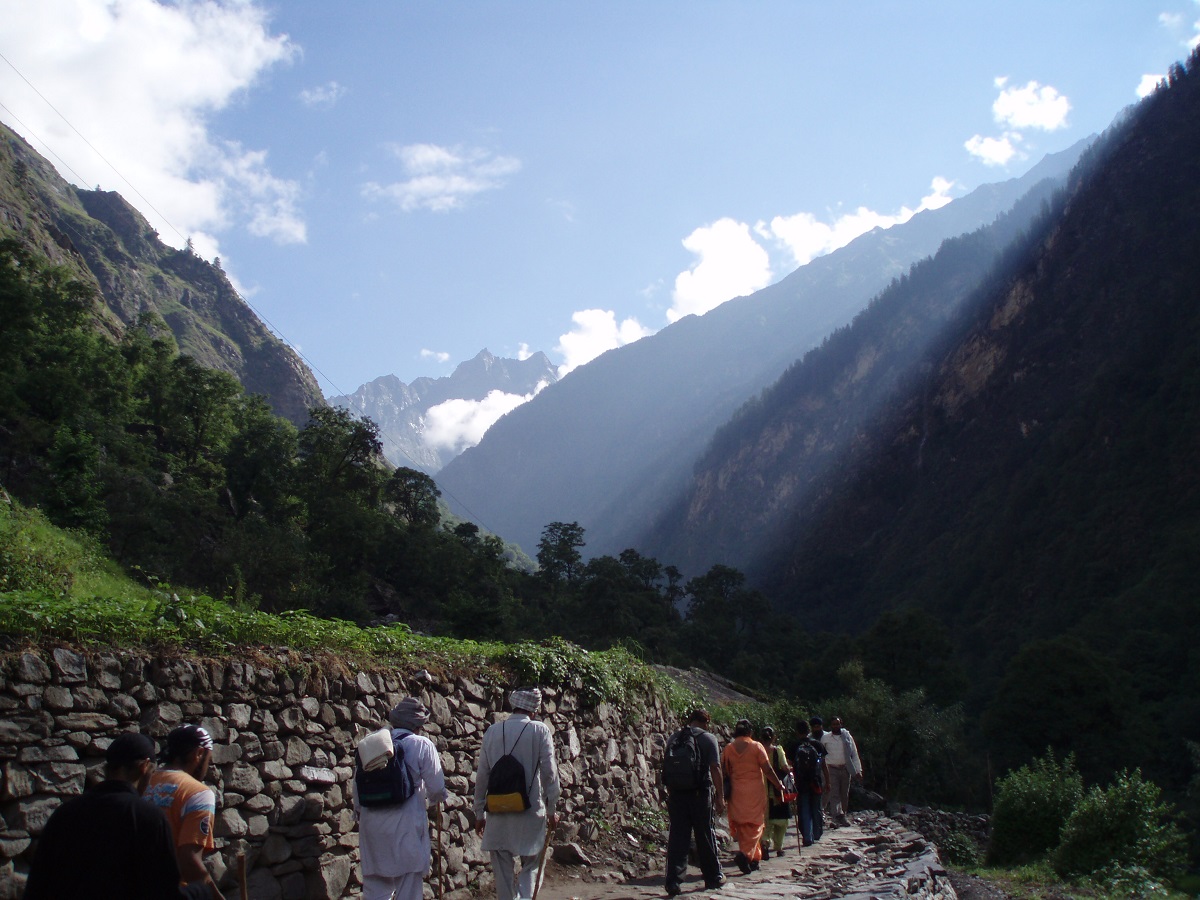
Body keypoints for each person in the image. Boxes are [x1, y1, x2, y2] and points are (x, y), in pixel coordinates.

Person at [25, 732, 210, 900]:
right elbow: (163, 892)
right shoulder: (148, 818)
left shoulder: (65, 814)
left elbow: (38, 883)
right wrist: (200, 891)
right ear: (145, 767)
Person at [355, 698, 448, 900]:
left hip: (372, 829)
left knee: (375, 891)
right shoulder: (422, 744)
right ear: (418, 724)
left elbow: (357, 795)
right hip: (405, 827)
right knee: (408, 889)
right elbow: (437, 788)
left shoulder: (371, 745)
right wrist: (434, 799)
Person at [474, 687, 561, 900]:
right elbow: (550, 773)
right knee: (532, 863)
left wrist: (479, 813)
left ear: (514, 705)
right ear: (535, 709)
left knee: (502, 869)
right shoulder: (540, 731)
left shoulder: (492, 732)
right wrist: (552, 809)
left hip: (497, 811)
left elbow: (482, 775)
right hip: (530, 811)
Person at [143, 724, 224, 899]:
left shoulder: (144, 782)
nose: (207, 766)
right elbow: (188, 861)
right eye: (208, 759)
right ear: (199, 753)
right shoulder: (198, 793)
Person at [662, 708, 727, 896]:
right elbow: (715, 767)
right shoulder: (708, 739)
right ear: (706, 722)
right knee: (704, 835)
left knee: (678, 837)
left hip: (677, 794)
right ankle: (713, 876)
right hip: (700, 794)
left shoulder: (674, 738)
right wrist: (720, 797)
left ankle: (673, 881)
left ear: (690, 720)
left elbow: (667, 768)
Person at [720, 719, 785, 875]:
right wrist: (778, 785)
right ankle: (745, 855)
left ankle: (754, 860)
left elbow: (724, 770)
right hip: (755, 792)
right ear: (750, 732)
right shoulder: (756, 747)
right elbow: (768, 770)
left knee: (743, 826)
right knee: (756, 825)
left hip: (736, 792)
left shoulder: (728, 749)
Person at [818, 716, 862, 826]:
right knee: (834, 793)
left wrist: (858, 770)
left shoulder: (847, 737)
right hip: (831, 768)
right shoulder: (825, 738)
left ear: (841, 724)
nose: (835, 726)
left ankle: (843, 814)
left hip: (845, 768)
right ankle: (836, 817)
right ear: (830, 725)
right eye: (833, 724)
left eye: (837, 724)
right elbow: (821, 755)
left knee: (844, 794)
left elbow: (854, 754)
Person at [792, 720, 828, 847]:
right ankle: (817, 834)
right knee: (816, 807)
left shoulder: (794, 745)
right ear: (809, 731)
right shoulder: (817, 744)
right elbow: (823, 765)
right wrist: (827, 782)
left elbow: (790, 766)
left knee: (804, 809)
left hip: (800, 783)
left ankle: (807, 836)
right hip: (816, 781)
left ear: (797, 732)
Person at [760, 726, 792, 859]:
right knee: (782, 821)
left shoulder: (758, 749)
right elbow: (784, 767)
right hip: (778, 789)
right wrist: (791, 769)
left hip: (761, 788)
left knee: (766, 820)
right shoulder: (778, 750)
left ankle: (764, 843)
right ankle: (778, 847)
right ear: (773, 737)